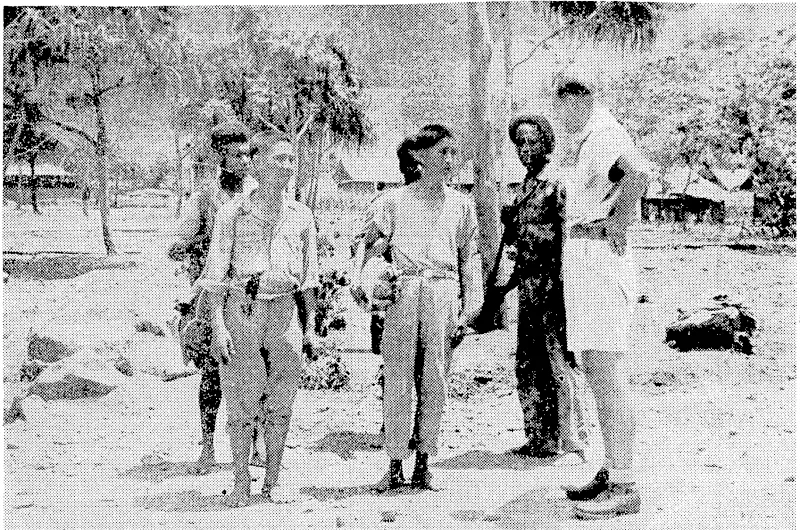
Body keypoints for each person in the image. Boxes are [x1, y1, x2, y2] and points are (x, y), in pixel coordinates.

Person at [353, 124, 482, 491]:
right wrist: (367, 281)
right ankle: (394, 463)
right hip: (403, 293)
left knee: (436, 380)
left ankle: (425, 461)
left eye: (453, 153)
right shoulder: (392, 200)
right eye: (444, 153)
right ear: (421, 157)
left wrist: (470, 307)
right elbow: (371, 247)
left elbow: (469, 257)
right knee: (397, 378)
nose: (450, 160)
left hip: (442, 294)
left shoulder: (461, 204)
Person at [194, 131, 319, 507]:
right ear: (258, 163)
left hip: (285, 314)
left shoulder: (302, 216)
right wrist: (217, 327)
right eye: (279, 159)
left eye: (290, 159)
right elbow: (215, 275)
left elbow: (310, 279)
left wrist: (310, 330)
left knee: (281, 400)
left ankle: (274, 480)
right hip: (242, 310)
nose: (288, 166)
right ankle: (241, 482)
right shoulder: (233, 212)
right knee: (241, 400)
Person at [551, 70, 650, 519]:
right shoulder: (587, 137)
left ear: (590, 96)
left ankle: (626, 485)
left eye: (576, 96)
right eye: (561, 99)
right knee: (593, 368)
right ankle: (611, 469)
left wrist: (619, 220)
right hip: (585, 255)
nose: (566, 107)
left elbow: (639, 174)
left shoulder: (607, 132)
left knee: (606, 373)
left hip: (599, 256)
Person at [167, 120, 255, 474]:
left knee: (256, 373)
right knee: (213, 374)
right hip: (214, 294)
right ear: (221, 158)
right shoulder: (205, 196)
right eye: (236, 156)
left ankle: (255, 449)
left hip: (253, 295)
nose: (244, 162)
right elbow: (177, 242)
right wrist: (201, 249)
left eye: (248, 155)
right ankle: (206, 445)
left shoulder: (259, 193)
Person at [503, 115, 588, 460]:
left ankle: (571, 437)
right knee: (528, 360)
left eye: (532, 142)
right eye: (520, 144)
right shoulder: (521, 188)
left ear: (547, 144)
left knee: (559, 361)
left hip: (555, 284)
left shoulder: (557, 185)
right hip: (527, 286)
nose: (525, 150)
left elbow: (567, 238)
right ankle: (539, 437)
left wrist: (567, 284)